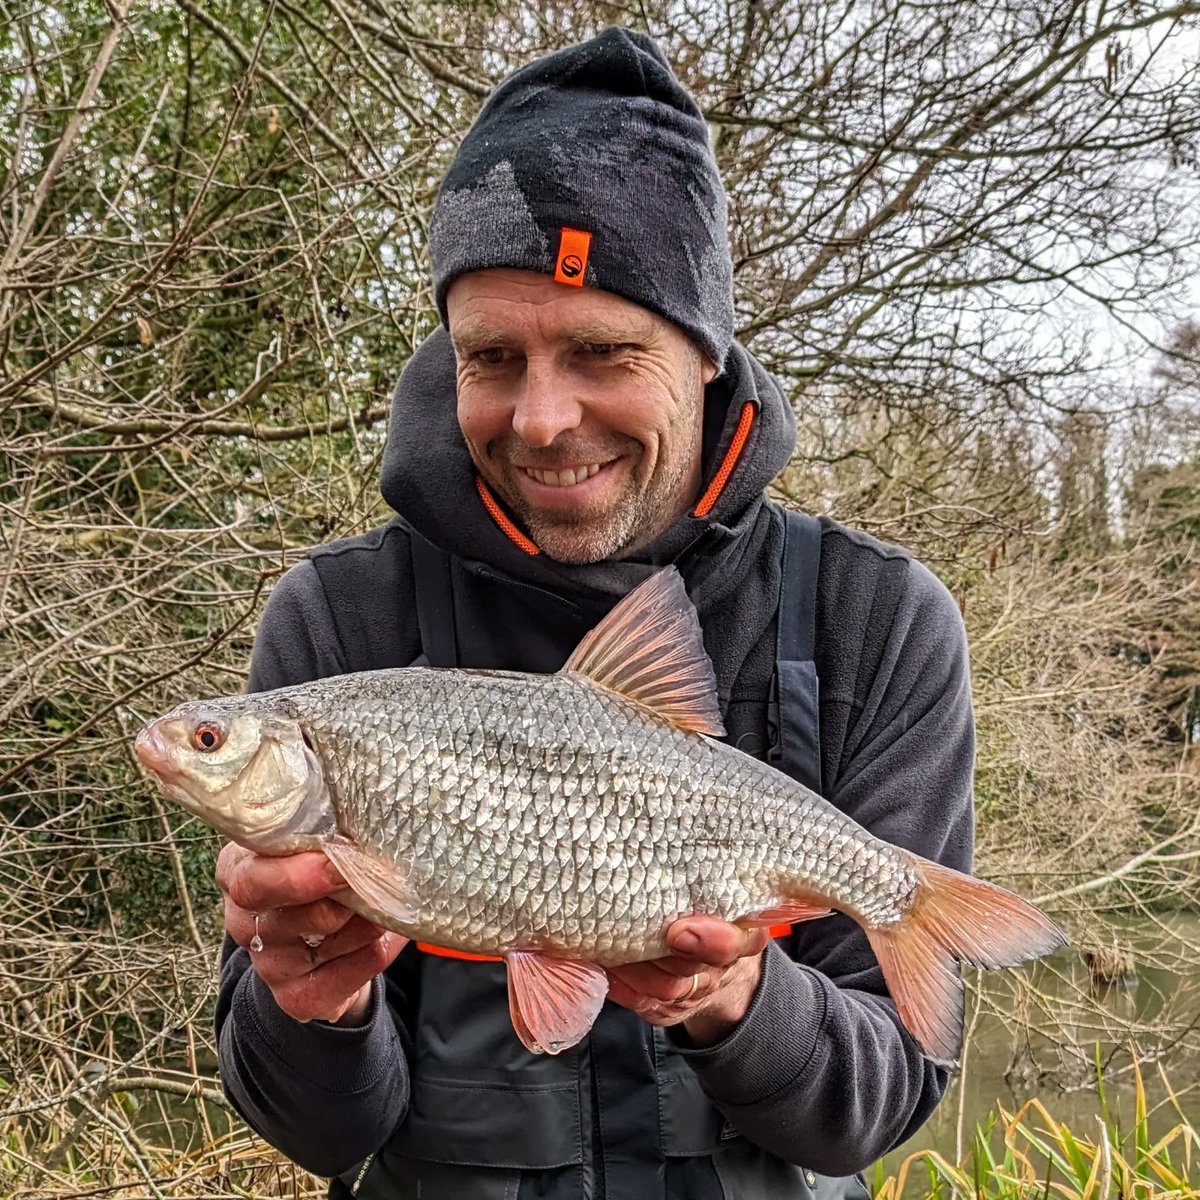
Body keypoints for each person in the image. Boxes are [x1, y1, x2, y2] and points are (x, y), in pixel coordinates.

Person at [215, 27, 974, 1200]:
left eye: (602, 349)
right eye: (492, 358)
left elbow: (873, 1109)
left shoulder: (878, 618)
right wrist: (312, 1002)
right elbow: (315, 1136)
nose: (541, 417)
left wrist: (736, 998)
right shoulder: (337, 617)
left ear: (708, 355)